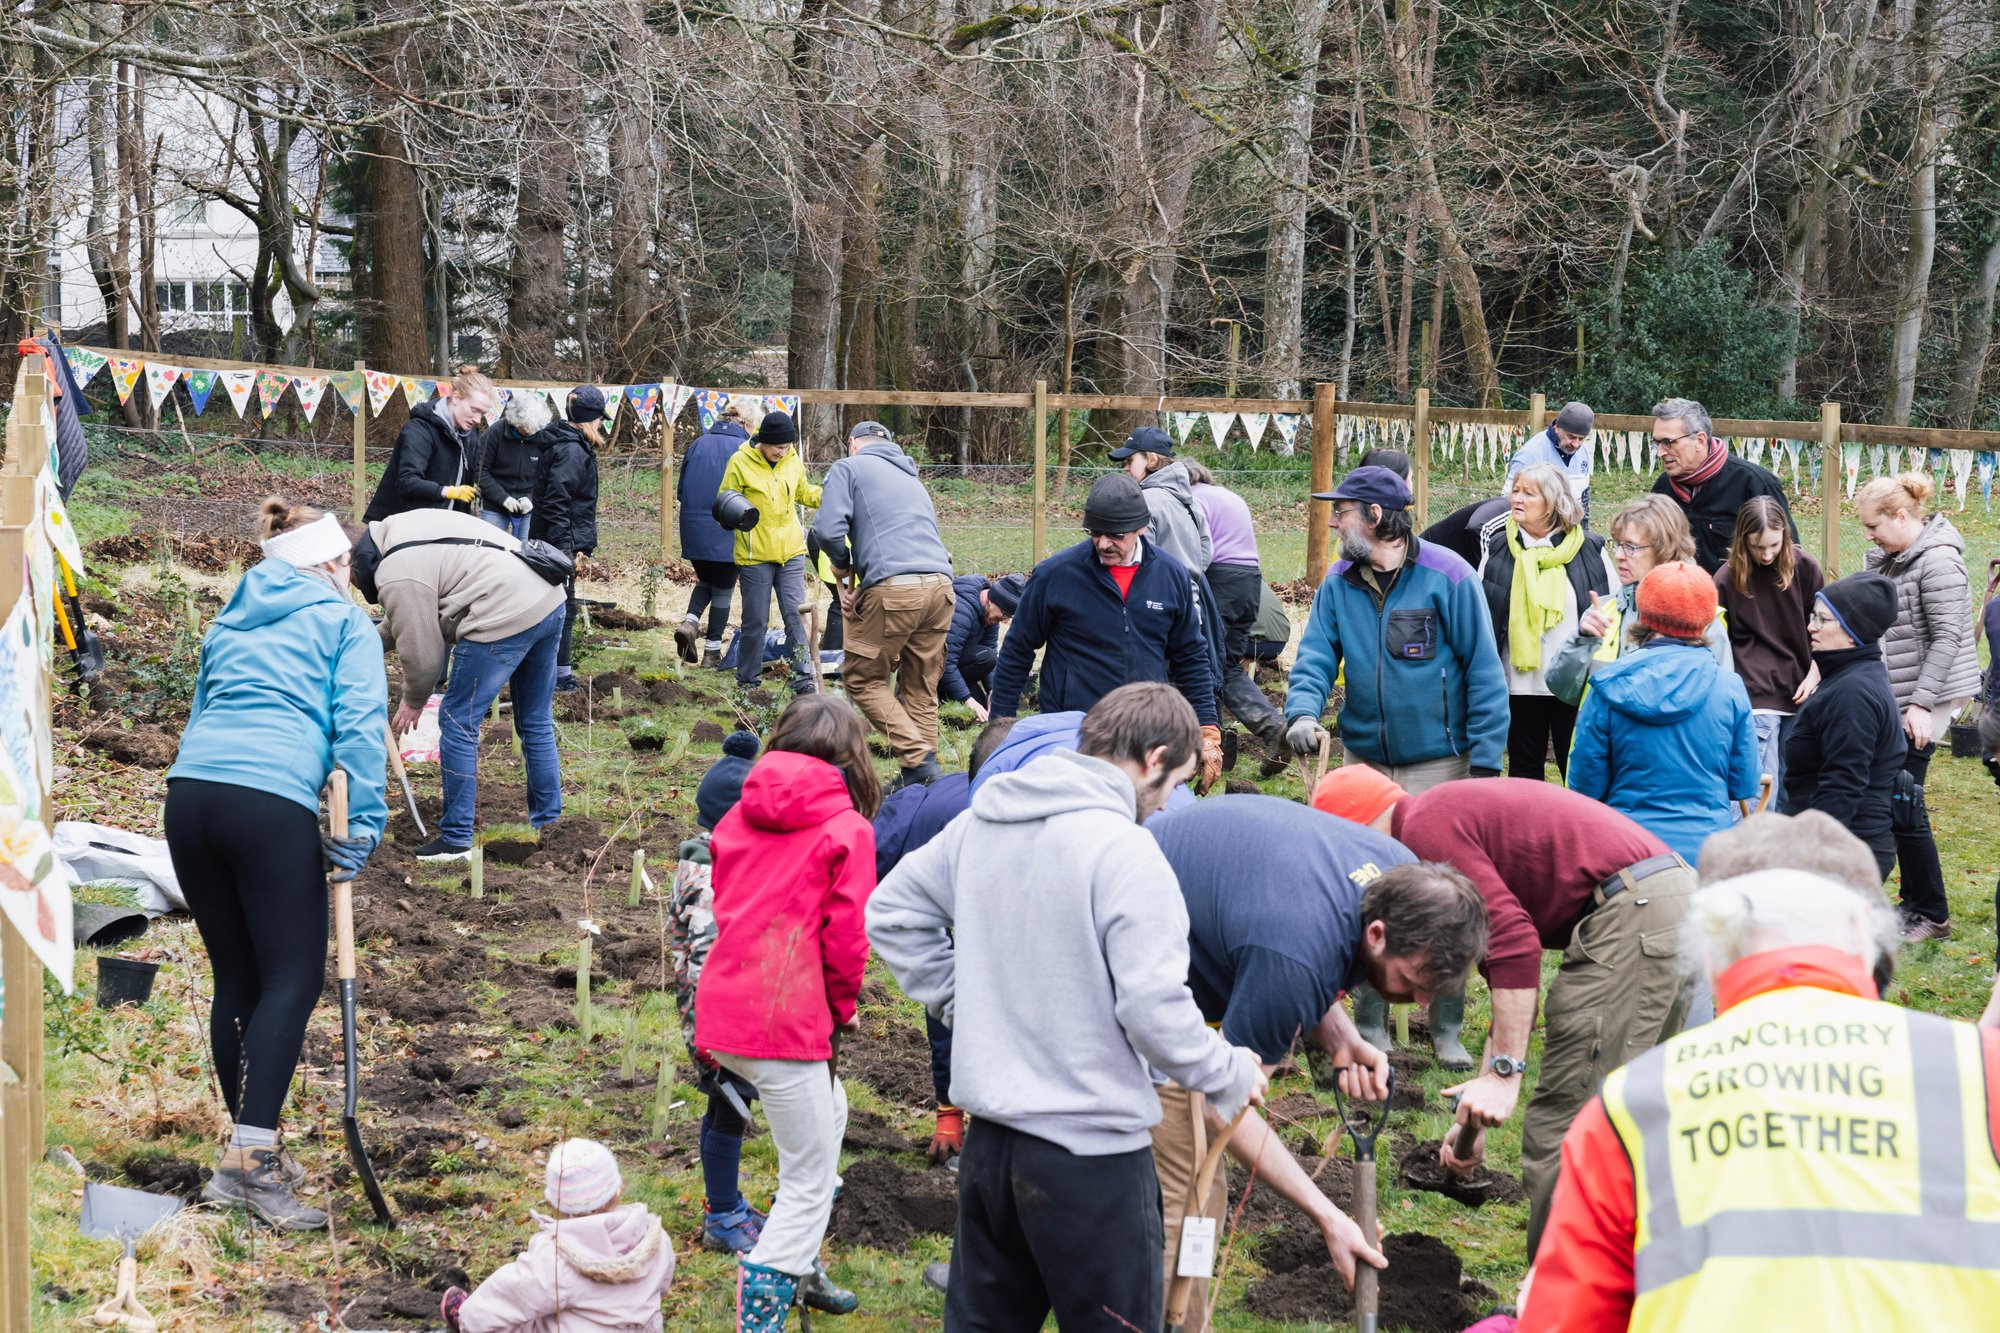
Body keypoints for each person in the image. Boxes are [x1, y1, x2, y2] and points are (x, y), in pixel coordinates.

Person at [866, 684, 1267, 1332]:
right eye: (1175, 783)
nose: (1169, 801)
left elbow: (889, 912)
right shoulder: (1129, 852)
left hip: (991, 1151)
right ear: (1154, 756)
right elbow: (1154, 1010)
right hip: (1093, 1160)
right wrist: (1231, 1072)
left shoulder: (981, 822)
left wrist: (959, 1001)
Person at [1519, 867, 2000, 1331]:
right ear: (1865, 944)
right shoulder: (1979, 1064)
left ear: (1711, 961)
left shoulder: (1635, 1097)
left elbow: (1573, 1316)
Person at [1312, 766, 1698, 1259]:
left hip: (1634, 911)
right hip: (1666, 900)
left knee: (1567, 1128)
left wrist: (1503, 1074)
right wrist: (1472, 1113)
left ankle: (1558, 1303)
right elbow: (1506, 980)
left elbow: (1516, 946)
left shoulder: (1424, 830)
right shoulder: (1440, 814)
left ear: (1359, 830)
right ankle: (1636, 1283)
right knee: (1631, 1118)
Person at [1147, 797, 1490, 1327]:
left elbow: (1320, 952)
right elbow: (1223, 1108)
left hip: (1212, 908)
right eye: (1414, 982)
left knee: (1198, 1187)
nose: (1421, 1005)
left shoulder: (1397, 873)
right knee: (1187, 1191)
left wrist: (1341, 1035)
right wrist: (1330, 1217)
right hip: (1123, 963)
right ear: (1377, 936)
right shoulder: (1293, 953)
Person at [165, 497, 388, 1230]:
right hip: (267, 802)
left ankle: (247, 1147)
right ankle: (250, 1169)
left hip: (191, 795)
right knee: (293, 980)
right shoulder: (345, 621)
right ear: (325, 564)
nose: (352, 574)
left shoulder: (231, 616)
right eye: (347, 562)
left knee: (239, 977)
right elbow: (359, 727)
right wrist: (361, 824)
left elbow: (200, 709)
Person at [694, 695, 878, 1328]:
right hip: (785, 1018)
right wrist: (842, 1006)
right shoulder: (847, 829)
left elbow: (729, 905)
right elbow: (846, 937)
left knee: (833, 1111)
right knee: (806, 1176)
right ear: (852, 758)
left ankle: (800, 1257)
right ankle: (765, 1307)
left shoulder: (735, 818)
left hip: (726, 1004)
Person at [988, 473, 1223, 790]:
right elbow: (1017, 649)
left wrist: (1207, 728)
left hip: (1145, 731)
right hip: (1074, 731)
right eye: (1095, 533)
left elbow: (1191, 655)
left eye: (1115, 535)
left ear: (1141, 527)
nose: (1103, 543)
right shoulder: (1055, 575)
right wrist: (1001, 725)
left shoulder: (1171, 575)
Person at [360, 507, 568, 861]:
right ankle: (550, 824)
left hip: (502, 609)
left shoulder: (395, 572)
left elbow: (424, 654)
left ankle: (456, 838)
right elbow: (405, 620)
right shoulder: (402, 528)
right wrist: (355, 645)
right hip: (547, 597)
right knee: (534, 720)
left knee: (458, 720)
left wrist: (414, 698)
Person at [870, 720, 1023, 1191]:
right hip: (901, 838)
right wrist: (948, 1111)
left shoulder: (1029, 827)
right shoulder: (970, 842)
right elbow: (946, 987)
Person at [1285, 464, 1508, 787]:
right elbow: (1315, 658)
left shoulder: (1449, 577)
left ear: (1374, 515)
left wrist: (1486, 763)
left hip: (1440, 765)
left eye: (1341, 512)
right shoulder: (1337, 581)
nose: (1333, 521)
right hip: (1362, 762)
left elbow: (1483, 670)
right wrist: (1302, 714)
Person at [1859, 471, 1983, 941]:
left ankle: (1931, 912)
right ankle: (1915, 903)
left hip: (1930, 695)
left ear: (1903, 516)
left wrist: (1920, 705)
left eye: (1873, 526)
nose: (1867, 535)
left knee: (1902, 795)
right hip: (1906, 693)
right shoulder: (1894, 559)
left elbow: (1949, 637)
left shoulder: (1938, 563)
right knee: (1898, 794)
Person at [1568, 562, 1760, 864]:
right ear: (1705, 618)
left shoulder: (1608, 685)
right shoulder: (1729, 687)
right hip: (1707, 857)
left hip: (1629, 854)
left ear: (1644, 614)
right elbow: (1744, 784)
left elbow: (1584, 787)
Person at [811, 419, 957, 787]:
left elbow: (827, 530)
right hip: (941, 587)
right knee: (920, 685)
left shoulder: (848, 467)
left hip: (896, 589)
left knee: (861, 679)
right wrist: (868, 583)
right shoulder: (911, 478)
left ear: (853, 443)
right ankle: (923, 784)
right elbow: (904, 541)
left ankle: (917, 758)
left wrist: (842, 564)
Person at [669, 730, 768, 1254]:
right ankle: (723, 1214)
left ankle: (723, 1203)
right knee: (731, 1107)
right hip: (719, 1018)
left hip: (717, 1013)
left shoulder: (708, 859)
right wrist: (714, 1027)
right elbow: (706, 956)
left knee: (723, 1106)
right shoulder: (710, 874)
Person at [439, 1139, 674, 1333]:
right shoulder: (654, 1238)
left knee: (516, 1319)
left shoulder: (555, 1260)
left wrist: (467, 1320)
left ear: (553, 1203)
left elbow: (510, 1295)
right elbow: (660, 1287)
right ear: (617, 1190)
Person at [1477, 461, 1615, 779]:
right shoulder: (1498, 547)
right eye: (1515, 491)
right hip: (1519, 681)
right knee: (1524, 771)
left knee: (1579, 770)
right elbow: (1485, 613)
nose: (1517, 499)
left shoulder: (1592, 550)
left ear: (1554, 502)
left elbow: (1610, 612)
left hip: (1576, 682)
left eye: (1529, 493)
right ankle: (1527, 830)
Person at [1780, 574, 1911, 883]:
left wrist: (1811, 858)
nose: (1811, 626)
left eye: (1823, 620)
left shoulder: (1852, 693)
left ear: (1853, 632)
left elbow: (1844, 783)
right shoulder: (1849, 676)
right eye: (1814, 617)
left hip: (1842, 854)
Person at [1547, 494, 1730, 706]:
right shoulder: (1604, 613)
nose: (1619, 555)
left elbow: (1721, 707)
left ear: (1665, 549)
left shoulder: (1705, 620)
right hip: (1605, 739)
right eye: (1617, 544)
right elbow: (1562, 690)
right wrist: (1582, 641)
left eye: (1630, 547)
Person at [1715, 495, 1823, 804]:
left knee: (1795, 781)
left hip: (1801, 689)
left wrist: (1815, 675)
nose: (1766, 555)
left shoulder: (1805, 567)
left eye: (1774, 546)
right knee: (1762, 789)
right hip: (1755, 697)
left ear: (1786, 536)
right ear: (1742, 540)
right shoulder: (1726, 578)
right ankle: (1758, 850)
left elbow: (1826, 628)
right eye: (1757, 547)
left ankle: (1787, 850)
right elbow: (1715, 640)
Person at [1184, 459, 1285, 747]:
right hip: (1251, 583)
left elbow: (1200, 549)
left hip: (1220, 582)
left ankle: (1208, 741)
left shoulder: (1193, 499)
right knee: (1226, 664)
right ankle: (1272, 725)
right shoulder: (1229, 496)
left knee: (1202, 662)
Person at [718, 410, 820, 696]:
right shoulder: (740, 461)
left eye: (787, 447)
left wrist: (828, 495)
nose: (783, 451)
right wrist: (733, 517)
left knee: (795, 616)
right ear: (763, 442)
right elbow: (725, 500)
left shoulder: (791, 459)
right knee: (756, 621)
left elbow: (802, 492)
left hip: (790, 552)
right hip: (755, 554)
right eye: (778, 446)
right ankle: (748, 681)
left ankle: (803, 677)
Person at [1648, 396, 1793, 571]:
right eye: (1657, 442)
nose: (1659, 452)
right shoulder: (1662, 490)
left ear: (1700, 441)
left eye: (1667, 442)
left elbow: (1788, 559)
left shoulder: (1756, 484)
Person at [529, 386, 602, 692]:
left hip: (555, 538)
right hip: (556, 542)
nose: (600, 426)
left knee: (557, 608)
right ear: (589, 419)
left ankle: (554, 673)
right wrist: (564, 549)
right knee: (561, 610)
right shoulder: (571, 450)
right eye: (599, 419)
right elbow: (558, 501)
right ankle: (558, 677)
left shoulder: (566, 444)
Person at [676, 403, 753, 668]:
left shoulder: (698, 444)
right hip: (727, 527)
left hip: (694, 526)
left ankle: (690, 622)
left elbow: (681, 491)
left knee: (707, 579)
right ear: (744, 424)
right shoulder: (745, 450)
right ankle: (711, 652)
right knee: (723, 588)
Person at [364, 367, 496, 521]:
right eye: (474, 410)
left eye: (482, 413)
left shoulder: (470, 435)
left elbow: (479, 474)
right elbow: (407, 482)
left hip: (445, 525)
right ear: (455, 397)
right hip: (401, 524)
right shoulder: (419, 430)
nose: (478, 420)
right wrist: (448, 492)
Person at [1111, 425, 1210, 571]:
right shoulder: (1189, 501)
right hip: (1189, 591)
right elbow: (1206, 551)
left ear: (1151, 460)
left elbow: (1141, 558)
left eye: (1130, 460)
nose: (1126, 468)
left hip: (1158, 591)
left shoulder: (1143, 501)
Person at [939, 573, 1025, 721]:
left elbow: (989, 653)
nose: (1004, 621)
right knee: (987, 658)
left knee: (986, 710)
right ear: (991, 601)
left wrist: (992, 690)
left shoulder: (989, 615)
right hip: (934, 670)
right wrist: (967, 699)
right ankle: (940, 693)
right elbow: (944, 660)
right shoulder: (961, 610)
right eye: (1004, 615)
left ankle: (954, 692)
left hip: (958, 666)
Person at [1506, 399, 1595, 524]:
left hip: (1569, 528)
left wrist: (1584, 532)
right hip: (1536, 530)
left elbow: (1584, 498)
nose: (1576, 444)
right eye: (1571, 437)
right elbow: (1508, 500)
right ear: (1557, 427)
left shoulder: (1583, 450)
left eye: (1581, 438)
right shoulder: (1531, 454)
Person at [476, 391, 547, 538]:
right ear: (515, 421)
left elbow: (550, 475)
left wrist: (532, 498)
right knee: (490, 549)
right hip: (494, 504)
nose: (530, 432)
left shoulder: (544, 436)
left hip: (529, 506)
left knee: (527, 553)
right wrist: (503, 498)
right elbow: (480, 471)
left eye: (534, 428)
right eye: (526, 428)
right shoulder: (495, 433)